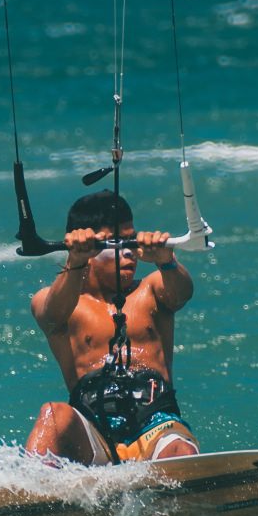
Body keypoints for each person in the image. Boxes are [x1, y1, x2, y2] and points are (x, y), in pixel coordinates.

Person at [24, 190, 199, 465]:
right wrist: (75, 261)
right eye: (116, 242)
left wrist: (167, 261)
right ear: (89, 249)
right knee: (53, 415)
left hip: (156, 425)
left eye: (131, 238)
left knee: (180, 450)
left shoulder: (152, 289)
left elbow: (183, 292)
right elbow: (51, 314)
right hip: (94, 433)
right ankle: (28, 497)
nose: (129, 251)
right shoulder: (57, 302)